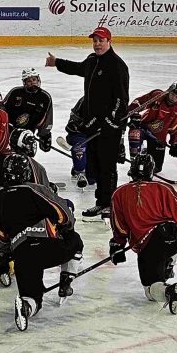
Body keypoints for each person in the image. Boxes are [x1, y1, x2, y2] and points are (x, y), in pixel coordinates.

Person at [0, 154, 84, 331]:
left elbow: (1, 233)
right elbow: (63, 213)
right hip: (49, 247)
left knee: (32, 297)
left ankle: (26, 307)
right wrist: (66, 229)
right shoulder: (35, 189)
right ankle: (66, 281)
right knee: (76, 241)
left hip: (22, 253)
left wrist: (3, 254)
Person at [46, 26, 129, 218]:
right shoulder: (93, 61)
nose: (97, 44)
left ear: (109, 41)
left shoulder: (117, 66)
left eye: (101, 40)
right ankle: (102, 202)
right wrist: (57, 62)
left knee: (107, 167)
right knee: (95, 167)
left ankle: (107, 204)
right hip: (93, 125)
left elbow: (121, 99)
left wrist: (111, 121)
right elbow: (78, 68)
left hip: (109, 127)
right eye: (95, 41)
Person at [109, 153, 177, 315]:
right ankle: (169, 262)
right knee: (170, 241)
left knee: (150, 290)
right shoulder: (163, 188)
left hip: (150, 246)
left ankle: (169, 291)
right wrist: (173, 227)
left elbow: (119, 226)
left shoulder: (119, 193)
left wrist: (117, 244)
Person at [127, 80, 177, 174]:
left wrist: (175, 142)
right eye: (172, 94)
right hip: (142, 127)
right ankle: (135, 161)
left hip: (158, 137)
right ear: (169, 91)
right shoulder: (158, 95)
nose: (173, 98)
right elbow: (139, 103)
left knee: (156, 168)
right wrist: (133, 115)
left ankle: (145, 151)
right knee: (134, 134)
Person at [3, 68, 54, 153]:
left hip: (27, 134)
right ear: (24, 82)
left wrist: (45, 135)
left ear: (38, 79)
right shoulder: (15, 92)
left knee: (23, 158)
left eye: (34, 79)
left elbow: (47, 119)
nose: (33, 82)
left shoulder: (45, 97)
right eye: (29, 81)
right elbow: (2, 109)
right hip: (8, 131)